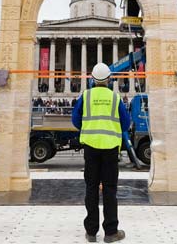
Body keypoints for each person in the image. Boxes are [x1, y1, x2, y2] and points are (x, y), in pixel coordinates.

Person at [72, 63, 129, 243]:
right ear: (109, 80)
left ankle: (91, 232)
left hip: (91, 147)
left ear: (92, 80)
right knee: (110, 189)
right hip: (111, 148)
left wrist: (89, 128)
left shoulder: (86, 96)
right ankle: (111, 232)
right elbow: (126, 123)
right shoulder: (115, 98)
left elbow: (75, 119)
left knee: (91, 188)